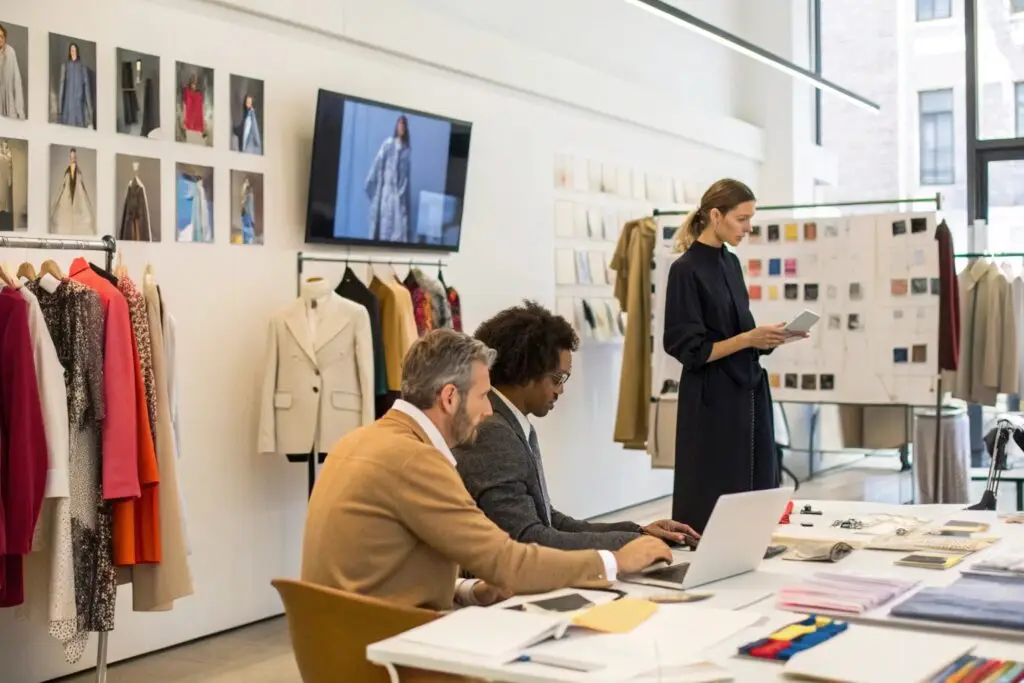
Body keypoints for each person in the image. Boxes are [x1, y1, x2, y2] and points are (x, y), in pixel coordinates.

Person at [301, 329, 671, 610]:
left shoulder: (357, 442)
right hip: (393, 651)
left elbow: (383, 573)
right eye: (482, 397)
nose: (488, 411)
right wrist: (615, 561)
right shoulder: (417, 460)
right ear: (449, 398)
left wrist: (468, 590)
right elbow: (507, 561)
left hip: (344, 642)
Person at [456, 302, 700, 551]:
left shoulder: (510, 422)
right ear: (525, 370)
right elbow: (529, 538)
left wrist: (639, 531)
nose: (560, 390)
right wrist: (634, 543)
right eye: (557, 378)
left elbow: (549, 520)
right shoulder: (494, 431)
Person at [663, 179, 805, 534]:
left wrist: (769, 338)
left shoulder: (731, 263)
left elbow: (739, 332)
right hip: (712, 397)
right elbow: (689, 349)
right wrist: (747, 338)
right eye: (742, 219)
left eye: (750, 218)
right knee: (715, 487)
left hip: (747, 389)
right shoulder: (685, 270)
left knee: (755, 476)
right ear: (715, 215)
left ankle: (750, 542)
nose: (749, 227)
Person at [365, 114, 412, 243]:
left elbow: (406, 178)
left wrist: (402, 196)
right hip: (386, 191)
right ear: (396, 125)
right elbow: (378, 164)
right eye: (400, 124)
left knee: (398, 230)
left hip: (398, 195)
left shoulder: (406, 150)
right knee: (383, 226)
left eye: (404, 125)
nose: (401, 127)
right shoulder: (388, 144)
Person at [57, 42, 93, 129]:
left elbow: (87, 91)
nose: (73, 52)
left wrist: (90, 112)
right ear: (70, 52)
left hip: (79, 108)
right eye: (72, 50)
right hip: (68, 107)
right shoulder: (65, 67)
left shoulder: (82, 68)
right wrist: (60, 109)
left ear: (77, 52)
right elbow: (62, 88)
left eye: (75, 50)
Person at [0, 24, 26, 120]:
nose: (0, 39)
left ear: (5, 38)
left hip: (8, 100)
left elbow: (17, 80)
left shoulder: (10, 52)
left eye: (1, 36)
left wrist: (19, 110)